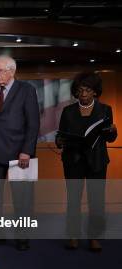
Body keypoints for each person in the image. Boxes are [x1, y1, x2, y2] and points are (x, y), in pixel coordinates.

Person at [0, 55, 40, 251]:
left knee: (22, 199)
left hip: (18, 154)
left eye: (0, 70)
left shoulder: (26, 90)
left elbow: (33, 123)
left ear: (12, 71)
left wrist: (27, 151)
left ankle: (22, 238)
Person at [56, 71, 117, 252]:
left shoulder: (105, 110)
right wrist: (59, 141)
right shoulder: (68, 112)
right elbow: (60, 136)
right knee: (73, 200)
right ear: (76, 91)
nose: (83, 94)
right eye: (80, 90)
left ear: (95, 92)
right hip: (73, 161)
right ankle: (73, 236)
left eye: (88, 90)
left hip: (97, 161)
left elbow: (110, 138)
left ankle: (94, 238)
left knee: (96, 200)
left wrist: (112, 132)